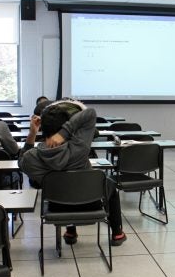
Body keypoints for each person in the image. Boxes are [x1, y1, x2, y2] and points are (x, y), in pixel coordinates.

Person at [18, 100, 127, 246]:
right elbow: (90, 113)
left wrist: (32, 134)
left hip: (56, 207)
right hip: (90, 203)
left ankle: (70, 231)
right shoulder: (79, 146)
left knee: (65, 186)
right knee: (109, 184)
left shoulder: (31, 158)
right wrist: (64, 133)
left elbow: (21, 162)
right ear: (66, 126)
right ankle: (117, 233)